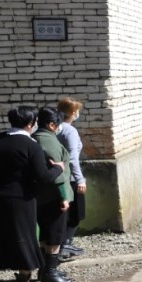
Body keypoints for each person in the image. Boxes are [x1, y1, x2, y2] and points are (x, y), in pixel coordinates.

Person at [0, 106, 64, 282]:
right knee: (24, 238)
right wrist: (58, 169)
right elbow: (43, 177)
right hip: (20, 199)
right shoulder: (31, 145)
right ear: (30, 124)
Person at [33, 106, 74, 282]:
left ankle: (44, 270)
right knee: (55, 235)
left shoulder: (35, 138)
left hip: (40, 196)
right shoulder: (49, 142)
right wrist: (64, 197)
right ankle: (51, 272)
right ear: (51, 125)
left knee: (45, 234)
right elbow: (58, 174)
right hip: (53, 197)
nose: (59, 127)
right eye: (58, 124)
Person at [56, 97, 87, 258]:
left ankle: (60, 244)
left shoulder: (53, 129)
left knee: (62, 213)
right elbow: (73, 158)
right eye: (77, 111)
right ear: (73, 112)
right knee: (76, 213)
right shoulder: (70, 131)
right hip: (71, 178)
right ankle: (65, 244)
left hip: (56, 176)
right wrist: (80, 179)